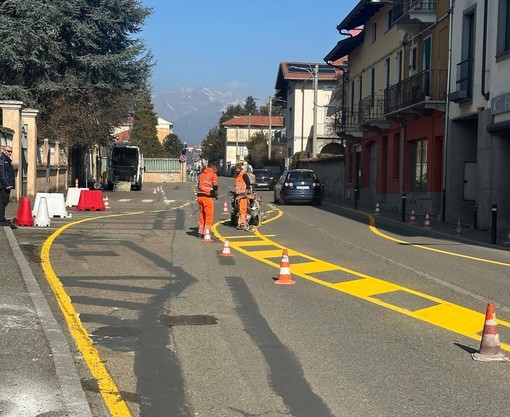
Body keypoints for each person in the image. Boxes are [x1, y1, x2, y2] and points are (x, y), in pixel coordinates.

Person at [196, 161, 218, 238]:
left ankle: (200, 231)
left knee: (202, 215)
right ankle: (206, 232)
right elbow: (215, 187)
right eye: (216, 168)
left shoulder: (202, 174)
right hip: (207, 198)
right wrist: (216, 195)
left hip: (200, 197)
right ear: (213, 167)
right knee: (209, 215)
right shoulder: (213, 175)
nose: (216, 169)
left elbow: (198, 186)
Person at [0, 145, 16, 229]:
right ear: (4, 151)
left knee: (4, 202)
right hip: (4, 186)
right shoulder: (3, 160)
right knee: (3, 202)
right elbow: (2, 174)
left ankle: (2, 218)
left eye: (11, 151)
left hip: (7, 186)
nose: (10, 153)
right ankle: (1, 220)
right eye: (8, 151)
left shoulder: (7, 161)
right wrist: (7, 185)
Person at [234, 163, 252, 230]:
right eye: (236, 170)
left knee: (243, 210)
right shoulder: (237, 176)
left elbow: (248, 184)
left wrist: (246, 192)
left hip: (243, 196)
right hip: (238, 196)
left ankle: (242, 224)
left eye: (238, 169)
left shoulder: (244, 175)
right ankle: (240, 223)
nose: (236, 171)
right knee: (240, 210)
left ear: (240, 169)